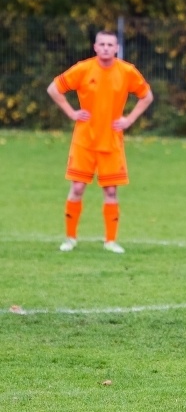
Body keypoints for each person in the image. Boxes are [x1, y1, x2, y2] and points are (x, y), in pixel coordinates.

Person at [47, 30, 153, 254]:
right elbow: (54, 89)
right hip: (84, 140)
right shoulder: (83, 69)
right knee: (77, 187)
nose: (106, 48)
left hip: (111, 141)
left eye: (110, 45)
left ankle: (111, 241)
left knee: (111, 191)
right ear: (95, 47)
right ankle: (70, 238)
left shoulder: (127, 71)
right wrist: (71, 113)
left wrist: (129, 119)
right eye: (102, 44)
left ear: (116, 49)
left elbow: (147, 96)